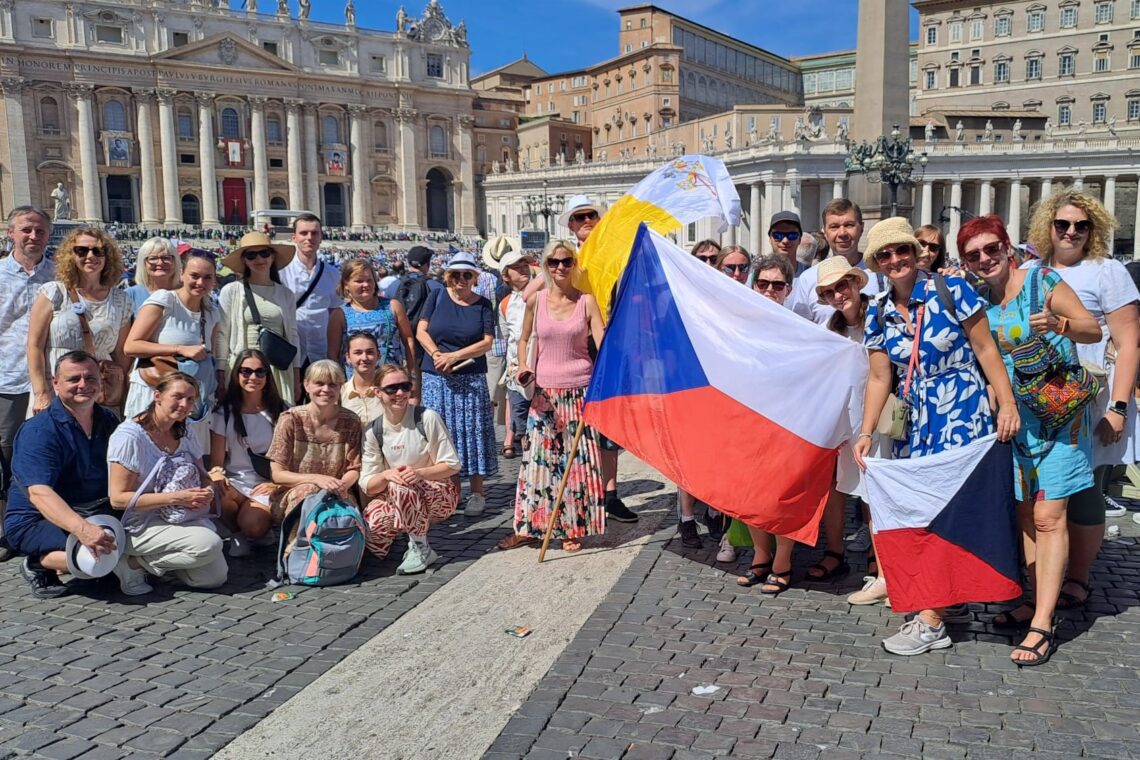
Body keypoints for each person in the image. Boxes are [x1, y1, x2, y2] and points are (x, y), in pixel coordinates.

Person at [853, 217, 1020, 657]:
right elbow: (877, 376)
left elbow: (986, 348)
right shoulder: (879, 311)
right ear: (877, 263)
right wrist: (866, 431)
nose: (896, 260)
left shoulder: (953, 290)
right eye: (885, 255)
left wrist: (1006, 403)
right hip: (915, 423)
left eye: (902, 251)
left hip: (962, 412)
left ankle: (931, 617)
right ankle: (949, 600)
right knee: (926, 509)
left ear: (917, 252)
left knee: (953, 512)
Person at [959, 215, 1102, 665]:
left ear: (1006, 246)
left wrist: (1058, 324)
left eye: (991, 248)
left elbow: (1093, 329)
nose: (985, 259)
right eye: (973, 255)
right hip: (1018, 419)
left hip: (1059, 416)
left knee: (1047, 516)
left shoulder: (1043, 279)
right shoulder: (982, 302)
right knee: (1025, 512)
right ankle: (1034, 594)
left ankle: (1042, 624)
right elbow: (987, 361)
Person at [1024, 189, 1140, 613]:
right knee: (1042, 494)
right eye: (1062, 224)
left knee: (1086, 491)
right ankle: (1042, 573)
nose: (1071, 232)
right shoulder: (1028, 270)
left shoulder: (1107, 272)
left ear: (1094, 229)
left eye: (1080, 225)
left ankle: (1079, 577)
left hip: (1090, 400)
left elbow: (1129, 345)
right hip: (1036, 401)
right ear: (1047, 228)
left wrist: (1120, 406)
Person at [502, 239, 607, 552]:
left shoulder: (587, 302)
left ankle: (573, 526)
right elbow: (523, 339)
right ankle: (534, 524)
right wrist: (523, 366)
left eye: (566, 261)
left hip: (580, 389)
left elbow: (604, 345)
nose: (560, 267)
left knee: (577, 462)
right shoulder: (537, 301)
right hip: (545, 392)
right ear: (545, 266)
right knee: (540, 461)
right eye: (553, 262)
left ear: (574, 265)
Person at [4, 351, 123, 597]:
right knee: (95, 560)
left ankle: (101, 563)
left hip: (94, 509)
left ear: (100, 381)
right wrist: (83, 530)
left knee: (130, 545)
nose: (84, 385)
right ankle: (38, 562)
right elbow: (39, 494)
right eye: (74, 379)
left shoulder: (109, 420)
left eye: (90, 378)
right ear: (55, 383)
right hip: (38, 519)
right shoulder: (39, 431)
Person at [108, 372, 228, 592]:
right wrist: (177, 498)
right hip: (141, 523)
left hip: (181, 516)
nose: (184, 405)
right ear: (158, 396)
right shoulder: (130, 437)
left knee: (213, 578)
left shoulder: (185, 430)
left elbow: (203, 476)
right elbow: (117, 499)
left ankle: (147, 563)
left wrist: (208, 490)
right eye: (177, 396)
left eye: (191, 399)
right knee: (209, 544)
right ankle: (130, 562)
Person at [561, 195, 638, 523]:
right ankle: (577, 491)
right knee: (570, 425)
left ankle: (609, 494)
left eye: (591, 215)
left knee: (608, 425)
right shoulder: (563, 260)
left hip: (608, 344)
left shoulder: (617, 256)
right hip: (572, 348)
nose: (587, 221)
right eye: (580, 217)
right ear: (571, 225)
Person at [818, 258, 889, 606]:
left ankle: (886, 572)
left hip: (884, 419)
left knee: (880, 497)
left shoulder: (880, 314)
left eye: (842, 286)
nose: (838, 295)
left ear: (855, 283)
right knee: (856, 491)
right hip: (849, 422)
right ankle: (882, 571)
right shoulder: (831, 329)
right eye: (830, 291)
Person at [416, 252, 498, 517]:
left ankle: (477, 491)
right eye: (456, 274)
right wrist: (438, 356)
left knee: (471, 434)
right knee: (441, 434)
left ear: (475, 278)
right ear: (448, 276)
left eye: (467, 275)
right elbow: (421, 330)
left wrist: (455, 356)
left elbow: (487, 342)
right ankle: (450, 493)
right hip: (436, 376)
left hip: (469, 376)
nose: (461, 279)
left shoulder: (483, 304)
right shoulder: (436, 296)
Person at [359, 364, 460, 573]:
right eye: (391, 389)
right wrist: (386, 474)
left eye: (405, 387)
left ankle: (420, 546)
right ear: (377, 392)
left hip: (438, 494)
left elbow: (452, 464)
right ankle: (405, 536)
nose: (400, 393)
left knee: (401, 484)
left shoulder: (426, 418)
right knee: (374, 526)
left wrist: (419, 473)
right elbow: (368, 484)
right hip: (398, 497)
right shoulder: (373, 431)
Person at [123, 248, 223, 449]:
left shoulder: (212, 312)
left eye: (207, 278)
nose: (200, 283)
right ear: (182, 274)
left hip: (191, 398)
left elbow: (213, 353)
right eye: (194, 276)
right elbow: (131, 346)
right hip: (155, 391)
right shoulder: (164, 300)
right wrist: (179, 349)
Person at [27, 227, 131, 415]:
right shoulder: (53, 292)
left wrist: (120, 392)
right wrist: (41, 392)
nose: (91, 256)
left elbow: (121, 354)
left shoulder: (121, 299)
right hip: (56, 389)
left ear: (108, 257)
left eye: (98, 251)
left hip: (99, 390)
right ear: (71, 256)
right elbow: (34, 346)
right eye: (82, 250)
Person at [0, 208, 55, 545]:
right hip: (7, 376)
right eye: (26, 230)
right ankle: (7, 524)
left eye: (40, 231)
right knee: (6, 452)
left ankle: (39, 519)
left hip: (50, 381)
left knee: (44, 452)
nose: (33, 237)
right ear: (10, 233)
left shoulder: (58, 272)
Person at [209, 349, 288, 557]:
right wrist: (217, 475)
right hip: (235, 482)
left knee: (253, 525)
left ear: (267, 376)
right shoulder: (223, 412)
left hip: (267, 483)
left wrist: (278, 484)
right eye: (246, 372)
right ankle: (237, 533)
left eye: (260, 372)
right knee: (215, 491)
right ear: (237, 375)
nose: (253, 377)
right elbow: (216, 462)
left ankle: (256, 529)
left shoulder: (281, 410)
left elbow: (293, 455)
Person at [266, 360, 361, 526]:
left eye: (332, 385)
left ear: (340, 387)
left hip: (337, 490)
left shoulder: (351, 421)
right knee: (309, 493)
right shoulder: (291, 419)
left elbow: (354, 468)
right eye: (319, 383)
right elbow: (277, 474)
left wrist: (339, 486)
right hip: (293, 493)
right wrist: (317, 479)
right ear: (306, 385)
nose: (326, 390)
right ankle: (299, 549)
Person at [218, 232, 302, 405]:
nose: (259, 259)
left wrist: (296, 375)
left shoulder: (286, 294)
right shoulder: (231, 290)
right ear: (244, 261)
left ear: (272, 257)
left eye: (264, 253)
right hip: (244, 369)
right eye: (251, 255)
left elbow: (293, 336)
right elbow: (222, 334)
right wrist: (220, 373)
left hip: (277, 368)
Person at [789, 199, 885, 325]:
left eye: (849, 225)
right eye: (834, 227)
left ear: (861, 228)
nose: (842, 233)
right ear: (825, 232)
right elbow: (800, 329)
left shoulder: (880, 273)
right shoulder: (808, 279)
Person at [326, 259, 415, 383]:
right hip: (356, 385)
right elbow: (333, 354)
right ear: (346, 284)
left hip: (392, 385)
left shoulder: (393, 306)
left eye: (369, 280)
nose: (366, 285)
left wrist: (412, 375)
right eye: (359, 281)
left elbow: (408, 340)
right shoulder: (339, 315)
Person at [281, 214, 340, 370]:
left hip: (322, 350)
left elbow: (335, 313)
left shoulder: (333, 274)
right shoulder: (281, 272)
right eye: (304, 233)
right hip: (291, 351)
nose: (309, 238)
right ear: (294, 237)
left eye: (314, 233)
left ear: (321, 237)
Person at [496, 246, 534, 459]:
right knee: (522, 427)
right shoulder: (505, 304)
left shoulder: (541, 294)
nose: (523, 270)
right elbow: (507, 336)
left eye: (524, 265)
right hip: (517, 373)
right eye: (516, 267)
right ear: (506, 276)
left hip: (540, 367)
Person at [394, 246, 444, 367]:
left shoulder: (395, 284)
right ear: (427, 263)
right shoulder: (436, 287)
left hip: (400, 345)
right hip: (426, 347)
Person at [339, 331, 387, 428]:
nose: (364, 358)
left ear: (378, 355)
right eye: (358, 353)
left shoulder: (389, 390)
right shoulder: (340, 393)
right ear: (348, 357)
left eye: (369, 352)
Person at [125, 238, 181, 315]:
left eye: (166, 258)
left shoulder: (187, 292)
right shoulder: (129, 295)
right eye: (153, 258)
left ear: (175, 261)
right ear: (143, 263)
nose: (160, 263)